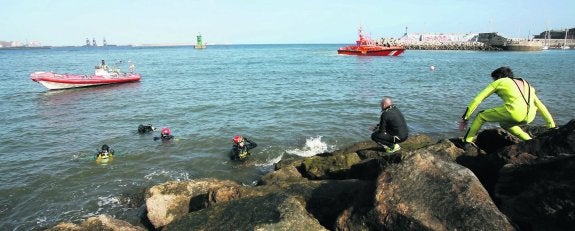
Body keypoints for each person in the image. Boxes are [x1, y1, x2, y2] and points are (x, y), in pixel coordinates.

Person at [459, 66, 556, 145]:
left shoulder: (501, 81)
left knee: (481, 115)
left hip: (514, 113)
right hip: (530, 116)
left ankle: (467, 142)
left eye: (493, 79)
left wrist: (465, 118)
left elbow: (478, 99)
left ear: (498, 77)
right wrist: (551, 126)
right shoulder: (528, 86)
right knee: (504, 124)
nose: (493, 82)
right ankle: (530, 141)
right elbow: (541, 106)